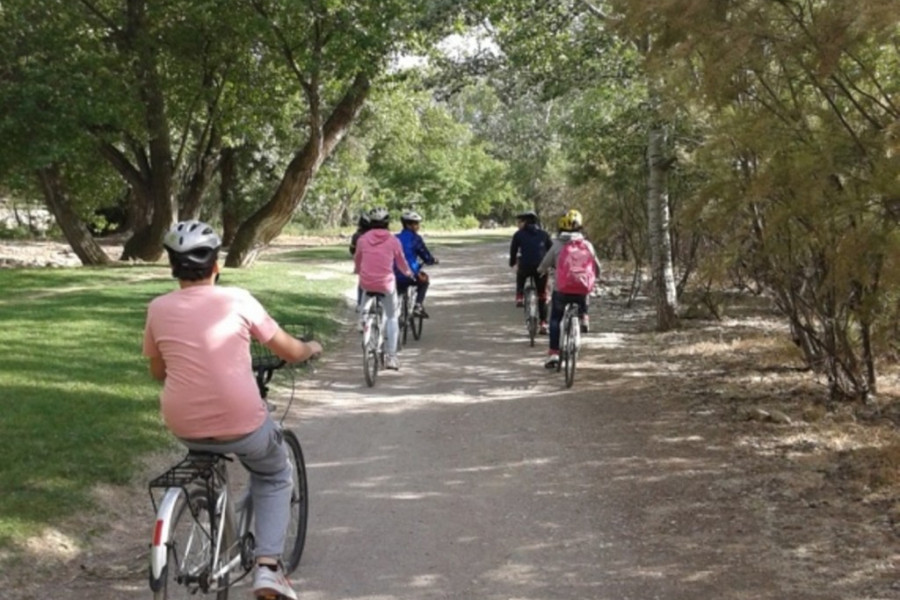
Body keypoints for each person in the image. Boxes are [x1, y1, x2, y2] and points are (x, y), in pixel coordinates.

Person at [142, 220, 321, 600]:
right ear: (216, 265)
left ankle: (221, 537)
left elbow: (159, 371)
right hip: (241, 422)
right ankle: (269, 568)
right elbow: (288, 350)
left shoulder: (157, 309)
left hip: (182, 423)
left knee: (213, 453)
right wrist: (311, 348)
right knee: (273, 473)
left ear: (172, 267)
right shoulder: (237, 300)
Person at [538, 209, 601, 369]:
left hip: (562, 289)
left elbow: (545, 263)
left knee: (555, 319)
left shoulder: (557, 244)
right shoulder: (587, 245)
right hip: (581, 289)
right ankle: (584, 316)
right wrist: (596, 276)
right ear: (580, 226)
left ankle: (553, 353)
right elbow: (596, 266)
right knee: (584, 293)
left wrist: (541, 270)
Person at [354, 207, 414, 370]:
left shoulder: (362, 239)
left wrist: (358, 271)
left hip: (367, 281)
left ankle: (363, 319)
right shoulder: (393, 240)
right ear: (387, 223)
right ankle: (391, 357)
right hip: (386, 284)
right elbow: (401, 263)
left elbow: (358, 260)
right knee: (392, 316)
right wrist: (409, 274)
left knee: (365, 292)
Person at [509, 210, 553, 334]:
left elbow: (513, 252)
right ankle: (543, 323)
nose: (518, 224)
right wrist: (553, 265)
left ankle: (519, 296)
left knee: (521, 272)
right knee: (542, 295)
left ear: (525, 222)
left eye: (519, 222)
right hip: (541, 267)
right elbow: (551, 251)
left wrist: (512, 262)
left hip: (526, 267)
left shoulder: (518, 234)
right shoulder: (544, 234)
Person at [394, 210, 439, 318]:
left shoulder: (394, 238)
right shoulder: (416, 239)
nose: (418, 226)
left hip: (393, 275)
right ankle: (418, 306)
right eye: (416, 223)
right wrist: (432, 260)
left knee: (397, 289)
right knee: (424, 281)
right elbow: (426, 256)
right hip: (410, 275)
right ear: (408, 225)